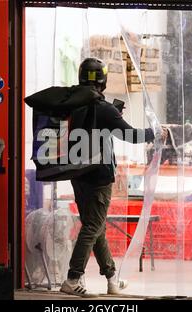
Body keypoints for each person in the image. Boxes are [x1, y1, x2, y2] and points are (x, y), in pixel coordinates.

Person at [60, 58, 168, 297]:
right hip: (98, 178)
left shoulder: (73, 106)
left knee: (96, 228)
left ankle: (111, 279)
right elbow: (131, 135)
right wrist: (156, 132)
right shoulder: (104, 109)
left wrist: (112, 117)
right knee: (93, 227)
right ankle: (72, 277)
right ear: (103, 80)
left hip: (77, 175)